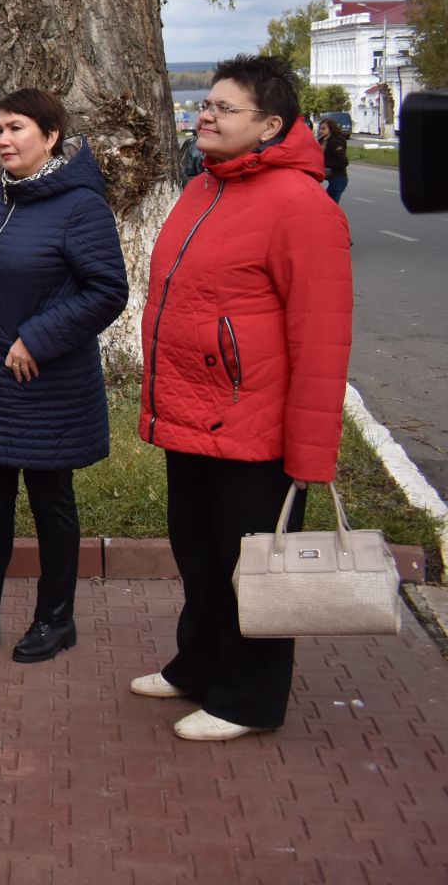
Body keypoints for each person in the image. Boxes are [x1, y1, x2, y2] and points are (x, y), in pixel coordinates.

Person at [135, 54, 352, 742]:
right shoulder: (206, 188)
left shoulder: (300, 205)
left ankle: (249, 699)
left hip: (255, 429)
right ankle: (198, 667)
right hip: (191, 416)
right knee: (198, 554)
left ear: (269, 126)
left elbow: (321, 340)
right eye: (207, 103)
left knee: (251, 571)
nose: (206, 114)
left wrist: (311, 456)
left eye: (225, 108)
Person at [0, 90, 127, 665]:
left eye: (16, 128)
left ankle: (55, 619)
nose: (3, 140)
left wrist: (38, 336)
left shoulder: (80, 205)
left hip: (49, 384)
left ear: (52, 135)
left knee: (50, 502)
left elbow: (107, 290)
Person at [317, 118, 349, 204]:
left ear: (331, 129)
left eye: (324, 128)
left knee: (330, 205)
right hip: (331, 177)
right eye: (320, 128)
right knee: (325, 202)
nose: (321, 131)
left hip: (338, 178)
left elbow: (344, 162)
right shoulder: (323, 141)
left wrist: (324, 164)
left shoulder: (334, 142)